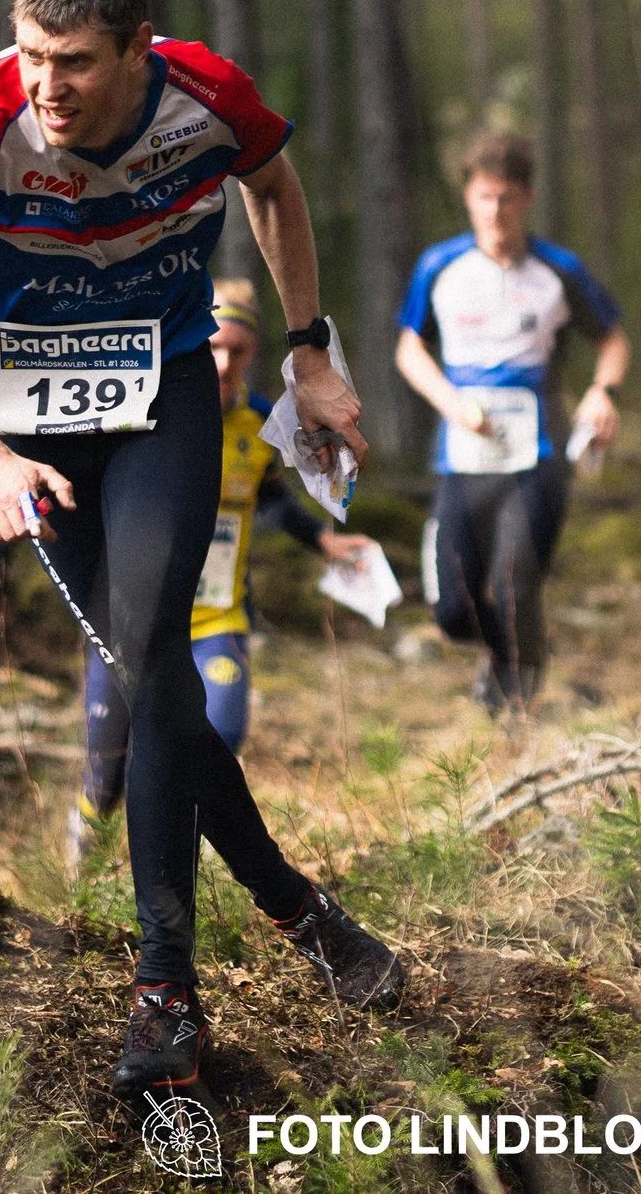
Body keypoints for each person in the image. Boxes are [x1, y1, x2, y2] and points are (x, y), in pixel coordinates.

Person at [0, 0, 402, 1097]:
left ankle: (167, 989)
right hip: (28, 424)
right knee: (156, 676)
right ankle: (299, 909)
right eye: (30, 52)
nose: (46, 83)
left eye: (75, 61)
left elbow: (274, 185)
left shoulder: (206, 97)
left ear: (137, 52)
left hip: (162, 391)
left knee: (155, 650)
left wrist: (308, 351)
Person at [68, 279, 379, 863]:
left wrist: (323, 541)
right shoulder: (140, 411)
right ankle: (83, 851)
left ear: (254, 352)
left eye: (237, 350)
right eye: (212, 346)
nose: (223, 362)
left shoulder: (262, 427)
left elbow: (270, 497)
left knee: (219, 735)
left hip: (217, 616)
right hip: (127, 622)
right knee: (105, 773)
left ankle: (168, 860)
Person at [397, 131, 627, 715]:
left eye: (505, 198)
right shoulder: (440, 266)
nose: (494, 211)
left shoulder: (558, 269)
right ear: (468, 199)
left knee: (514, 582)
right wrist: (450, 402)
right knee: (451, 607)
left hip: (538, 456)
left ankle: (512, 705)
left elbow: (613, 339)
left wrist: (602, 392)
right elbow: (408, 349)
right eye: (483, 198)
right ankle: (512, 654)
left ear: (525, 197)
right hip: (462, 457)